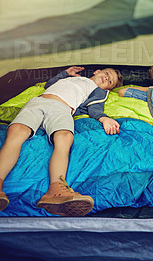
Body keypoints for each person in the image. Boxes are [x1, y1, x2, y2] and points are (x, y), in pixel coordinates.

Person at [0, 65, 123, 216]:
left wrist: (104, 119)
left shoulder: (98, 91)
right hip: (38, 102)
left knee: (65, 138)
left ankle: (56, 189)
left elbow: (95, 108)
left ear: (108, 89)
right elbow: (49, 85)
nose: (107, 78)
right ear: (97, 71)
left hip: (62, 108)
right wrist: (65, 73)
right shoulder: (70, 78)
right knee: (17, 132)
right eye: (107, 74)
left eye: (109, 81)